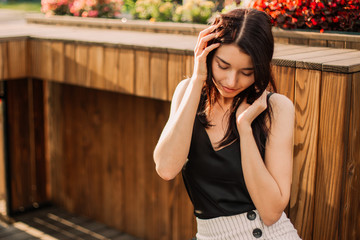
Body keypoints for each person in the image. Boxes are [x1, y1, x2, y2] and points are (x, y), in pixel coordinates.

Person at [153, 8, 301, 240]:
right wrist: (198, 79)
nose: (232, 81)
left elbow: (272, 213)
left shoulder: (276, 108)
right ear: (207, 54)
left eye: (247, 72)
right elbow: (166, 168)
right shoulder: (187, 93)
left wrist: (245, 129)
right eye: (223, 66)